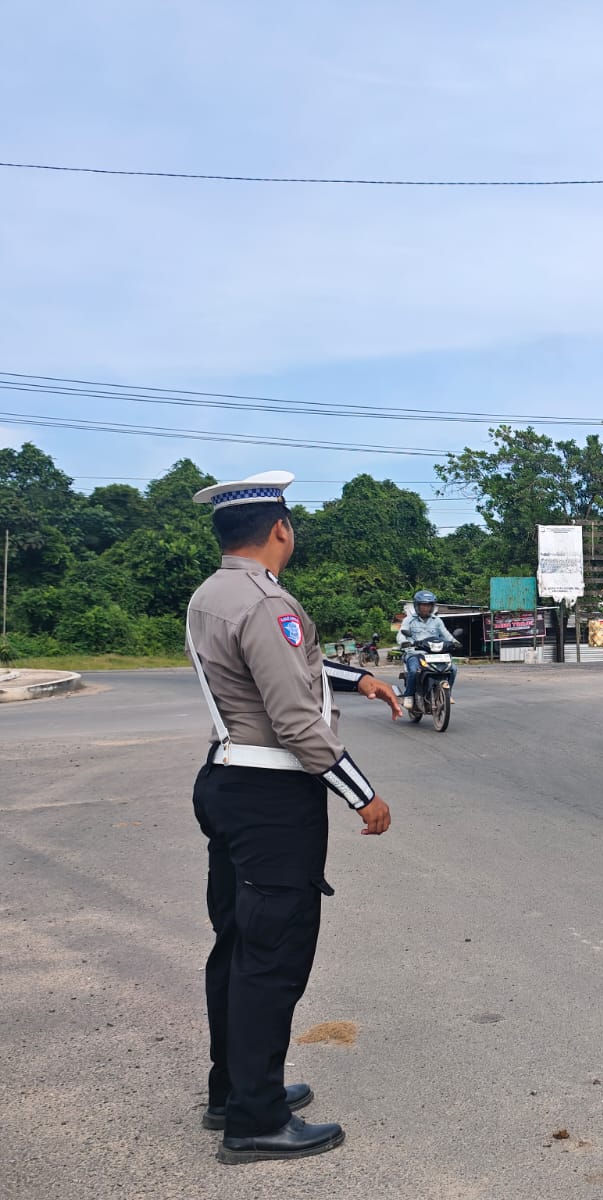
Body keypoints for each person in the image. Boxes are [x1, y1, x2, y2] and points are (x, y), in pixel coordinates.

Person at [185, 471, 403, 1164]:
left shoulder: (213, 594)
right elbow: (295, 718)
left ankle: (234, 1091)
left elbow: (291, 666)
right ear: (281, 529)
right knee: (271, 959)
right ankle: (256, 1118)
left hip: (227, 780)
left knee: (238, 946)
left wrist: (357, 676)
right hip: (273, 797)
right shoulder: (265, 601)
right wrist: (361, 792)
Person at [398, 589, 460, 708]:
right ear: (417, 606)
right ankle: (409, 695)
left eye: (428, 605)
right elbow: (401, 634)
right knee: (413, 670)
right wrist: (404, 642)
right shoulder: (409, 620)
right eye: (423, 605)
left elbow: (446, 634)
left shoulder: (437, 621)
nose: (425, 608)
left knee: (453, 669)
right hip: (415, 653)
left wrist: (455, 642)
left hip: (436, 653)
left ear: (432, 607)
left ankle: (448, 694)